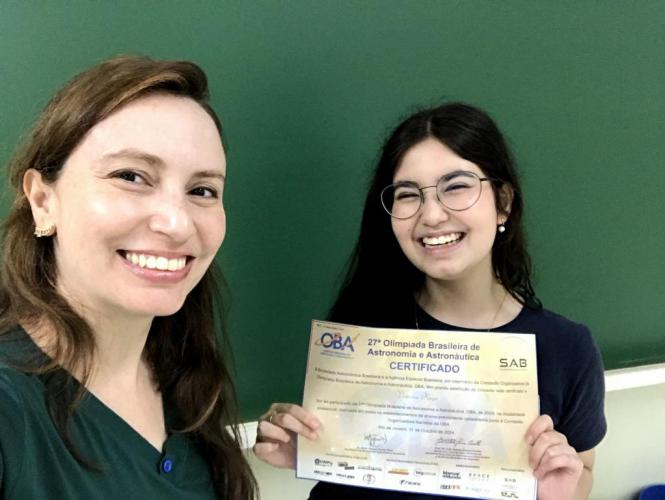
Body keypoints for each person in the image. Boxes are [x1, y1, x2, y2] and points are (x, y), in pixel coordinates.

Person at [253, 103, 606, 499]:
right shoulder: (360, 331)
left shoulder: (567, 348)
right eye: (408, 195)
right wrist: (301, 443)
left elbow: (582, 469)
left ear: (503, 202)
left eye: (456, 186)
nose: (432, 215)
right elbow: (340, 457)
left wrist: (559, 490)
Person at [0, 56, 256, 499]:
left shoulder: (185, 376)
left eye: (202, 190)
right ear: (43, 200)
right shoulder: (9, 405)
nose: (177, 223)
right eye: (131, 176)